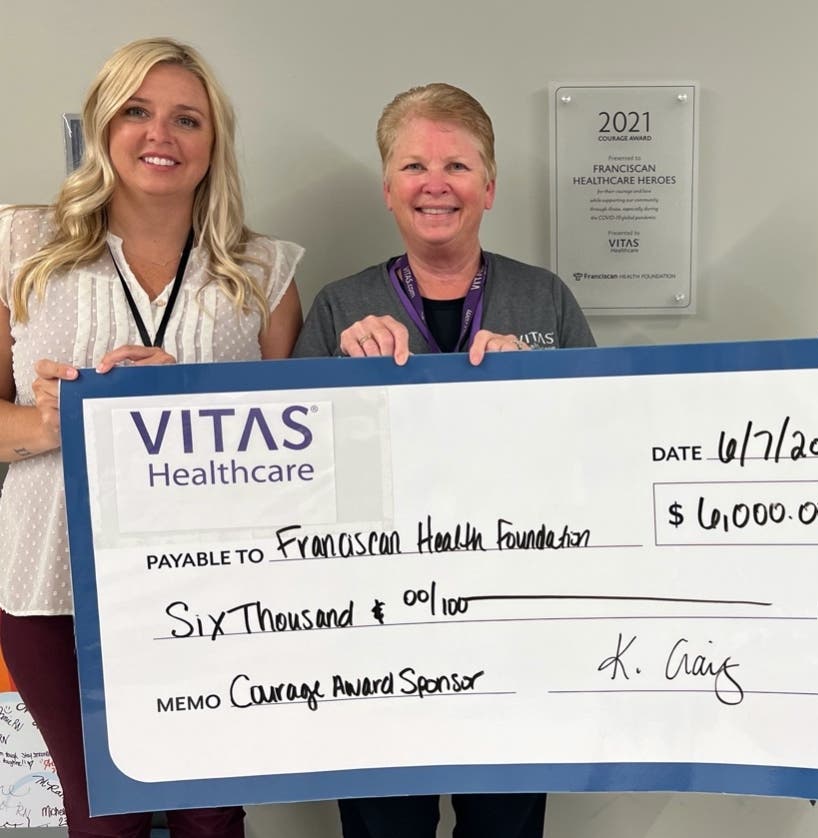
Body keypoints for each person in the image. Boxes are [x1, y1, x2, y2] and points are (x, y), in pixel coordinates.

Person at [0, 37, 303, 837]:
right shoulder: (20, 248)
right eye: (136, 111)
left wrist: (185, 401)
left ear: (214, 144)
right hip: (52, 578)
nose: (159, 134)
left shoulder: (261, 272)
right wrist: (54, 418)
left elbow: (301, 459)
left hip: (215, 587)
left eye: (186, 118)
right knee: (104, 818)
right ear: (102, 125)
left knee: (210, 816)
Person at [293, 82, 594, 838]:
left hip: (515, 621)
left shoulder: (544, 300)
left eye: (457, 166)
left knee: (505, 826)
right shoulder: (338, 308)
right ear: (387, 188)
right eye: (414, 166)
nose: (436, 184)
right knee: (384, 826)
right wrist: (341, 380)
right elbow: (296, 484)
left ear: (488, 187)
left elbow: (597, 455)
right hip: (375, 626)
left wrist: (538, 384)